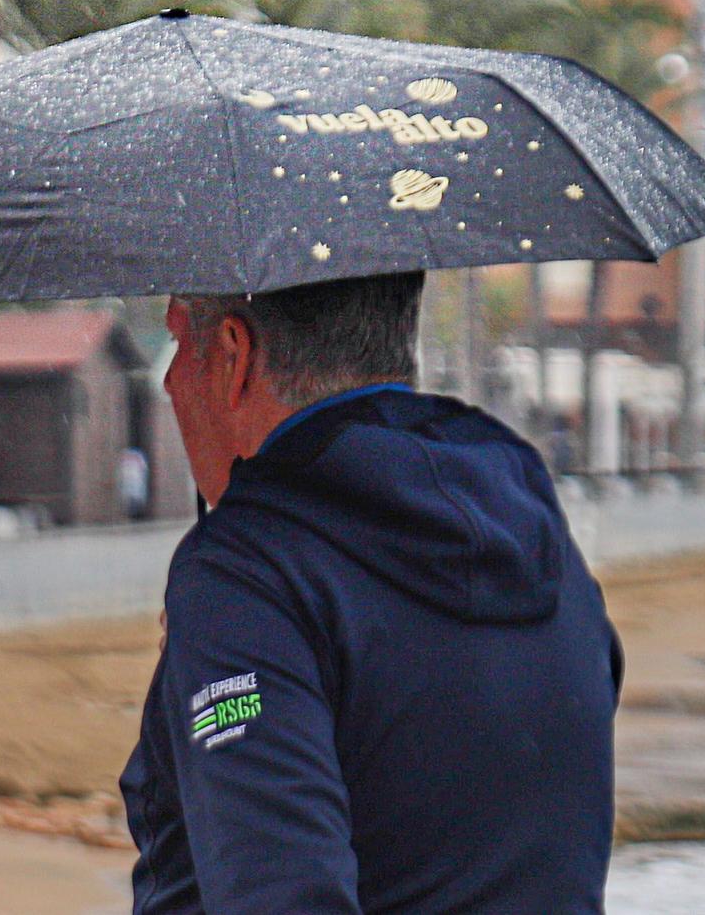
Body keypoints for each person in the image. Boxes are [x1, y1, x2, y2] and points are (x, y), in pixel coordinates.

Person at [122, 271, 622, 913]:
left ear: (231, 353)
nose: (168, 382)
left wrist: (227, 624)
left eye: (177, 343)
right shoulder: (534, 537)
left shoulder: (249, 575)